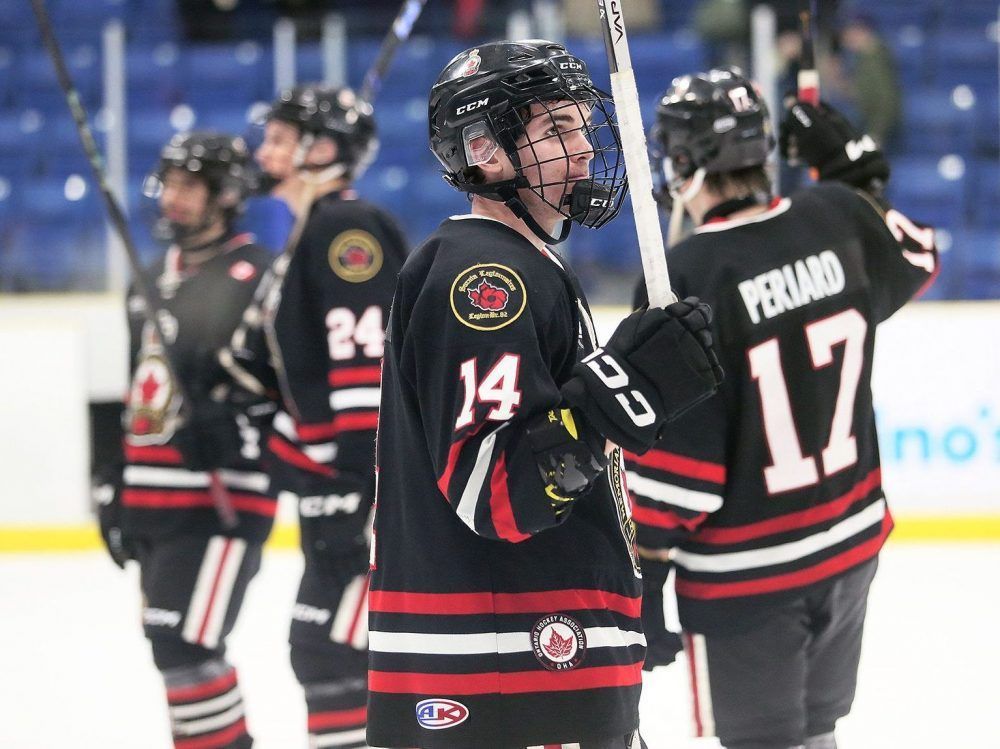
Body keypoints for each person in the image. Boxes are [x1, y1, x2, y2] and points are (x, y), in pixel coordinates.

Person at [366, 40, 723, 749]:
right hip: (507, 672)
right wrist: (622, 393)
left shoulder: (526, 265)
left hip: (535, 662)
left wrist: (623, 591)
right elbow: (495, 493)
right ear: (485, 150)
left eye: (581, 125)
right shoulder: (482, 280)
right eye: (557, 129)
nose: (587, 148)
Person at [631, 68, 938, 748]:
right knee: (815, 730)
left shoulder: (687, 277)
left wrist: (646, 568)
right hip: (850, 545)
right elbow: (917, 254)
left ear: (684, 161)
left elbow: (683, 469)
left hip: (749, 575)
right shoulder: (838, 214)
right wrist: (854, 171)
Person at [235, 83, 408, 749]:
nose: (263, 150)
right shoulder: (313, 228)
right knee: (329, 648)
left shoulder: (345, 226)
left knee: (330, 645)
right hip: (335, 484)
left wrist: (338, 470)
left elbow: (370, 381)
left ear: (324, 150)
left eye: (279, 138)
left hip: (359, 487)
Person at [93, 131, 279, 749]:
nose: (172, 198)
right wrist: (111, 481)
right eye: (168, 184)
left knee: (184, 644)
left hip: (220, 500)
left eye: (188, 186)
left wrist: (236, 426)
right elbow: (129, 390)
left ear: (226, 195)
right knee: (172, 650)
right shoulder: (148, 280)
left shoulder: (258, 276)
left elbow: (285, 387)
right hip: (153, 499)